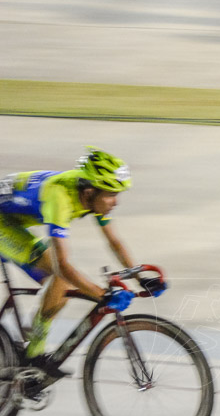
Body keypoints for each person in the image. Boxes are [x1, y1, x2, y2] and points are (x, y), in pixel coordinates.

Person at [0, 148, 165, 376]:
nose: (115, 202)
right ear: (89, 192)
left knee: (61, 287)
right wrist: (102, 295)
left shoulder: (91, 195)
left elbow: (114, 241)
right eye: (111, 194)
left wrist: (140, 278)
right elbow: (63, 266)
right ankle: (34, 355)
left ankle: (32, 336)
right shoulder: (59, 198)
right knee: (61, 277)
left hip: (11, 218)